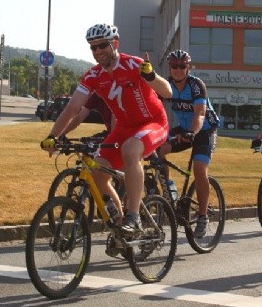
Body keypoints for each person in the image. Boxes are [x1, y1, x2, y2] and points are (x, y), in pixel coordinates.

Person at [41, 23, 170, 238]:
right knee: (97, 173)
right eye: (93, 47)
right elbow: (73, 108)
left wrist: (152, 77)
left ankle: (134, 217)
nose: (98, 51)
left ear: (115, 44)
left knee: (131, 149)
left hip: (153, 123)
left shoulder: (134, 64)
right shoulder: (93, 75)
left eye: (102, 45)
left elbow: (168, 91)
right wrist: (54, 136)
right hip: (124, 128)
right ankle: (120, 227)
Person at [156, 49, 220, 238]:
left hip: (204, 130)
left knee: (199, 169)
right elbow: (153, 107)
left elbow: (200, 113)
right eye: (174, 66)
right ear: (170, 67)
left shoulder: (196, 85)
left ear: (188, 67)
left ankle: (202, 215)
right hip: (183, 129)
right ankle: (169, 190)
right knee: (159, 150)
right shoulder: (167, 85)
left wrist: (192, 132)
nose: (178, 70)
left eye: (182, 66)